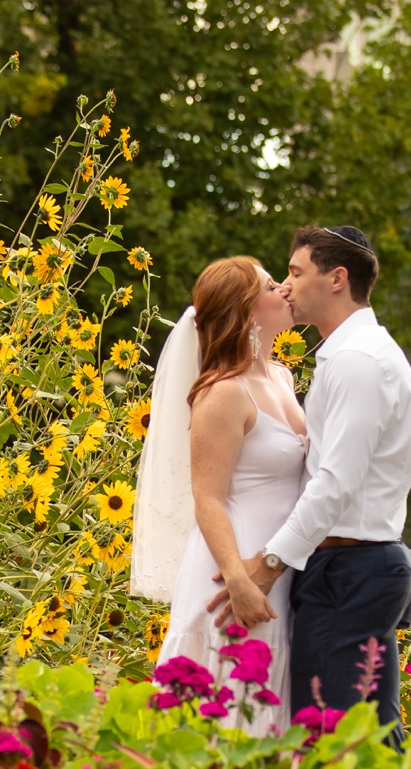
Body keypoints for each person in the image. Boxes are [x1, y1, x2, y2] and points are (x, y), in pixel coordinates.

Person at [208, 225, 411, 738]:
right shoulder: (364, 353)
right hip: (362, 562)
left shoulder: (357, 362)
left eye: (295, 271)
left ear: (337, 279)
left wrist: (270, 563)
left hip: (348, 571)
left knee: (328, 738)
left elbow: (336, 481)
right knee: (372, 737)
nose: (286, 285)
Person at [126, 256, 309, 735]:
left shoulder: (283, 378)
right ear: (247, 313)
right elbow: (207, 496)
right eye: (271, 285)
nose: (285, 289)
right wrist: (237, 576)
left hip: (276, 567)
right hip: (231, 568)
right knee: (219, 707)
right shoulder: (223, 392)